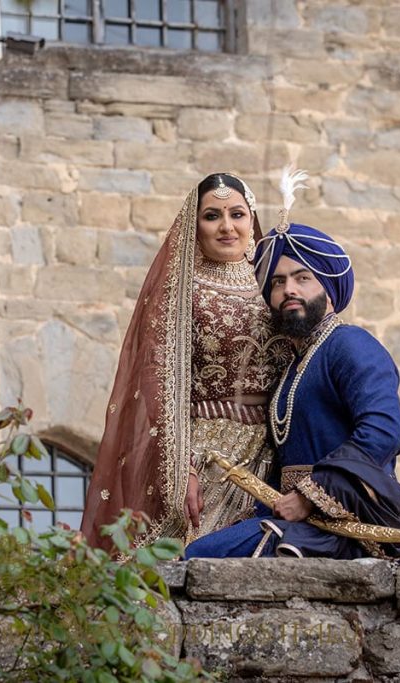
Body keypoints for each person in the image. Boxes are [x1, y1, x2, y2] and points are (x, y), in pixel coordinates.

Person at [184, 210, 400, 560]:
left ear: (328, 287)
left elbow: (383, 432)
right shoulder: (293, 366)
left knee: (202, 557)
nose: (289, 289)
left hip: (345, 518)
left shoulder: (350, 344)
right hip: (290, 514)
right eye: (277, 282)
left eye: (302, 278)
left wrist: (312, 495)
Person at [81, 173, 292, 551]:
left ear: (252, 217)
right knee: (194, 560)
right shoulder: (182, 288)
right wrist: (181, 468)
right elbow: (157, 381)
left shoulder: (277, 283)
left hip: (273, 454)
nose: (227, 227)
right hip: (206, 453)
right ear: (195, 225)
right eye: (212, 216)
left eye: (237, 215)